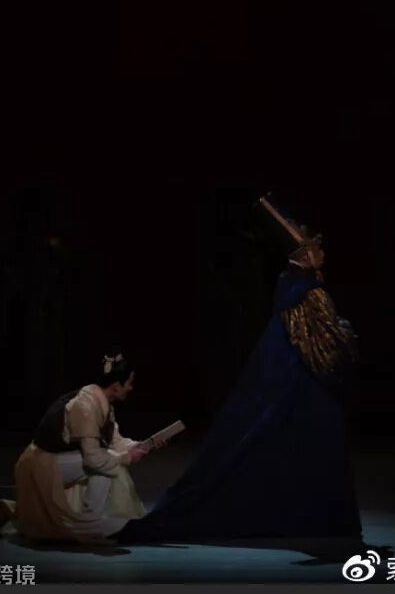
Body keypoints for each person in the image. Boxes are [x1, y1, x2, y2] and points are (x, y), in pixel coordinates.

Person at [117, 196, 361, 543]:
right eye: (316, 248)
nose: (322, 252)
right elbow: (328, 344)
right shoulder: (307, 291)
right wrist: (347, 339)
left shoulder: (291, 283)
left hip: (283, 376)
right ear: (305, 256)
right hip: (299, 383)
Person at [0, 351, 156, 543]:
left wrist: (142, 446)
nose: (131, 388)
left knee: (108, 461)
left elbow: (114, 440)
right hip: (40, 463)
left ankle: (12, 510)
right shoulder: (85, 406)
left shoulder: (102, 402)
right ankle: (89, 528)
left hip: (55, 461)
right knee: (106, 466)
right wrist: (126, 457)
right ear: (117, 386)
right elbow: (94, 459)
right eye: (130, 382)